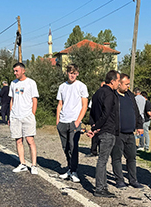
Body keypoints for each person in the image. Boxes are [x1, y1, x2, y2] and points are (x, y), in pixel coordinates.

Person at [87, 70, 121, 198]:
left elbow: (93, 112)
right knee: (103, 160)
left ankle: (103, 186)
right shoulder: (109, 94)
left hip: (100, 130)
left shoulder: (97, 93)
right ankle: (100, 188)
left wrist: (94, 126)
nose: (119, 84)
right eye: (118, 81)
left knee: (103, 159)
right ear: (112, 81)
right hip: (107, 130)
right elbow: (106, 113)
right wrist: (97, 126)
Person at [56, 64, 88, 183]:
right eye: (70, 73)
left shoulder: (81, 86)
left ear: (77, 74)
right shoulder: (62, 87)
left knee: (73, 147)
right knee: (66, 147)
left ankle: (74, 171)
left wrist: (78, 120)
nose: (72, 75)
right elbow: (60, 104)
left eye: (74, 73)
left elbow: (84, 105)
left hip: (74, 121)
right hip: (63, 121)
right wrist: (57, 121)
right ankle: (69, 168)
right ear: (67, 73)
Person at [111, 73, 144, 188]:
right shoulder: (113, 96)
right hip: (117, 133)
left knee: (132, 157)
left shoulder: (130, 96)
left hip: (130, 133)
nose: (128, 86)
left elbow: (137, 111)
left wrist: (139, 126)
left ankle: (133, 180)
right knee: (117, 157)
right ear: (119, 83)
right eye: (126, 84)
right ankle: (119, 180)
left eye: (129, 84)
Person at [9, 63, 40, 174]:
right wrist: (11, 114)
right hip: (15, 116)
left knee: (30, 140)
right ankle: (22, 163)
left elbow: (34, 100)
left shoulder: (31, 83)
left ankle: (34, 165)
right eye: (14, 71)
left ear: (23, 71)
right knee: (18, 140)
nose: (15, 73)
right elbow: (11, 99)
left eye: (16, 71)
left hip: (27, 116)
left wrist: (32, 114)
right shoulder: (13, 83)